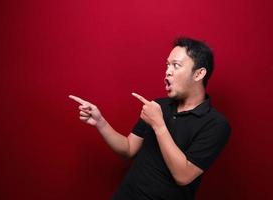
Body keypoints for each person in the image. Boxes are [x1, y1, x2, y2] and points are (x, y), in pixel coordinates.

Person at [69, 37, 231, 200]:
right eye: (167, 65)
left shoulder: (216, 124)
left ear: (199, 74)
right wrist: (100, 122)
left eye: (176, 65)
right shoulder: (159, 105)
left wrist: (159, 125)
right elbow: (128, 149)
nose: (168, 71)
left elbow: (183, 176)